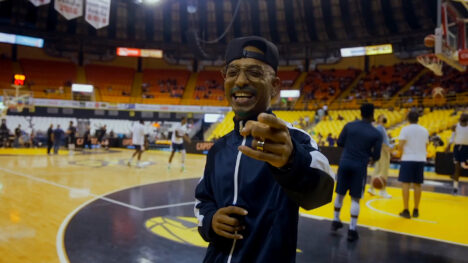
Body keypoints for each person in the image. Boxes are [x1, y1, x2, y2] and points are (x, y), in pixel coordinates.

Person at [194, 36, 334, 262]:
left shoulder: (295, 141)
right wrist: (211, 220)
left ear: (275, 86)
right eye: (232, 72)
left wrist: (291, 162)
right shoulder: (218, 149)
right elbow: (203, 200)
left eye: (254, 73)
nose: (240, 81)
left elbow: (322, 193)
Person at [331, 103, 382, 242]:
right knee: (355, 198)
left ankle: (335, 221)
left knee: (340, 194)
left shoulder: (349, 125)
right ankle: (352, 230)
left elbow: (340, 142)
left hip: (345, 162)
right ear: (373, 114)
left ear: (360, 113)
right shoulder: (375, 133)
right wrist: (366, 153)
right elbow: (376, 156)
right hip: (359, 165)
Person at [397, 110, 429, 218]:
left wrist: (398, 152)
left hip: (408, 159)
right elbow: (426, 146)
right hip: (420, 159)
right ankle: (416, 210)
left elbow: (400, 145)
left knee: (405, 184)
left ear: (408, 119)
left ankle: (406, 210)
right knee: (417, 184)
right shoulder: (425, 130)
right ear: (418, 118)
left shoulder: (405, 129)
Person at [368, 114, 393, 198]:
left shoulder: (382, 128)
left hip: (382, 150)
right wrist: (387, 149)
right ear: (378, 119)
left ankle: (371, 188)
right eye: (382, 117)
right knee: (384, 171)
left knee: (377, 170)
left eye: (384, 116)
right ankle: (383, 191)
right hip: (383, 150)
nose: (385, 117)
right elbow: (380, 141)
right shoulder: (379, 128)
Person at [446, 113, 468, 194]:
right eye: (462, 116)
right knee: (457, 168)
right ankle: (455, 187)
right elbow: (452, 136)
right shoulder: (456, 126)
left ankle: (455, 175)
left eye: (464, 116)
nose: (462, 117)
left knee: (463, 166)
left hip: (466, 148)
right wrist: (448, 145)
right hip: (457, 148)